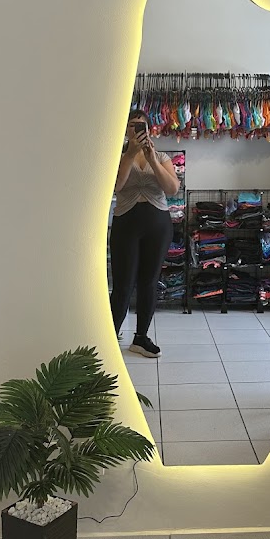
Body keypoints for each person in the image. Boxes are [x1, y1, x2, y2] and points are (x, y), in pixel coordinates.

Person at [110, 109, 179, 357]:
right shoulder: (117, 156)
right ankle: (110, 339)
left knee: (149, 282)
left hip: (157, 225)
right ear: (126, 130)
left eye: (141, 126)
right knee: (123, 284)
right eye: (132, 125)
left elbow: (172, 189)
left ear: (149, 130)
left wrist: (151, 160)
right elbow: (116, 187)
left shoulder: (161, 157)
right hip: (125, 223)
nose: (137, 129)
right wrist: (130, 155)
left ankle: (141, 338)